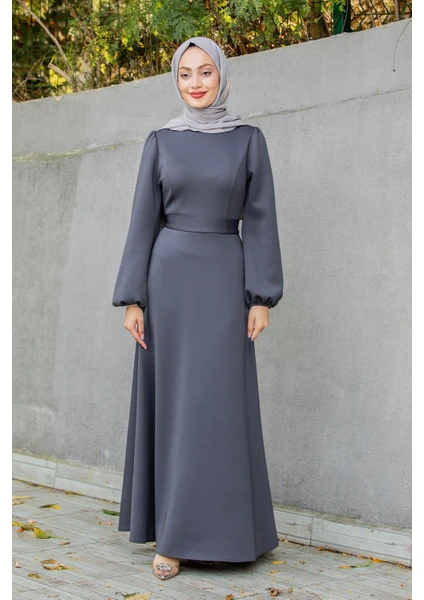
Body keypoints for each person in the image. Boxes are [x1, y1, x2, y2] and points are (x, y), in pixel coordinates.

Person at [112, 36, 284, 581]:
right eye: (185, 74)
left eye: (205, 72)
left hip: (223, 280)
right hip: (168, 284)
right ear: (175, 80)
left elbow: (261, 219)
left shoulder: (248, 140)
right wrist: (132, 297)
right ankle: (173, 538)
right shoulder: (161, 141)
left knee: (220, 406)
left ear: (223, 76)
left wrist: (261, 297)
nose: (195, 83)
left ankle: (232, 534)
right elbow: (143, 221)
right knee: (176, 407)